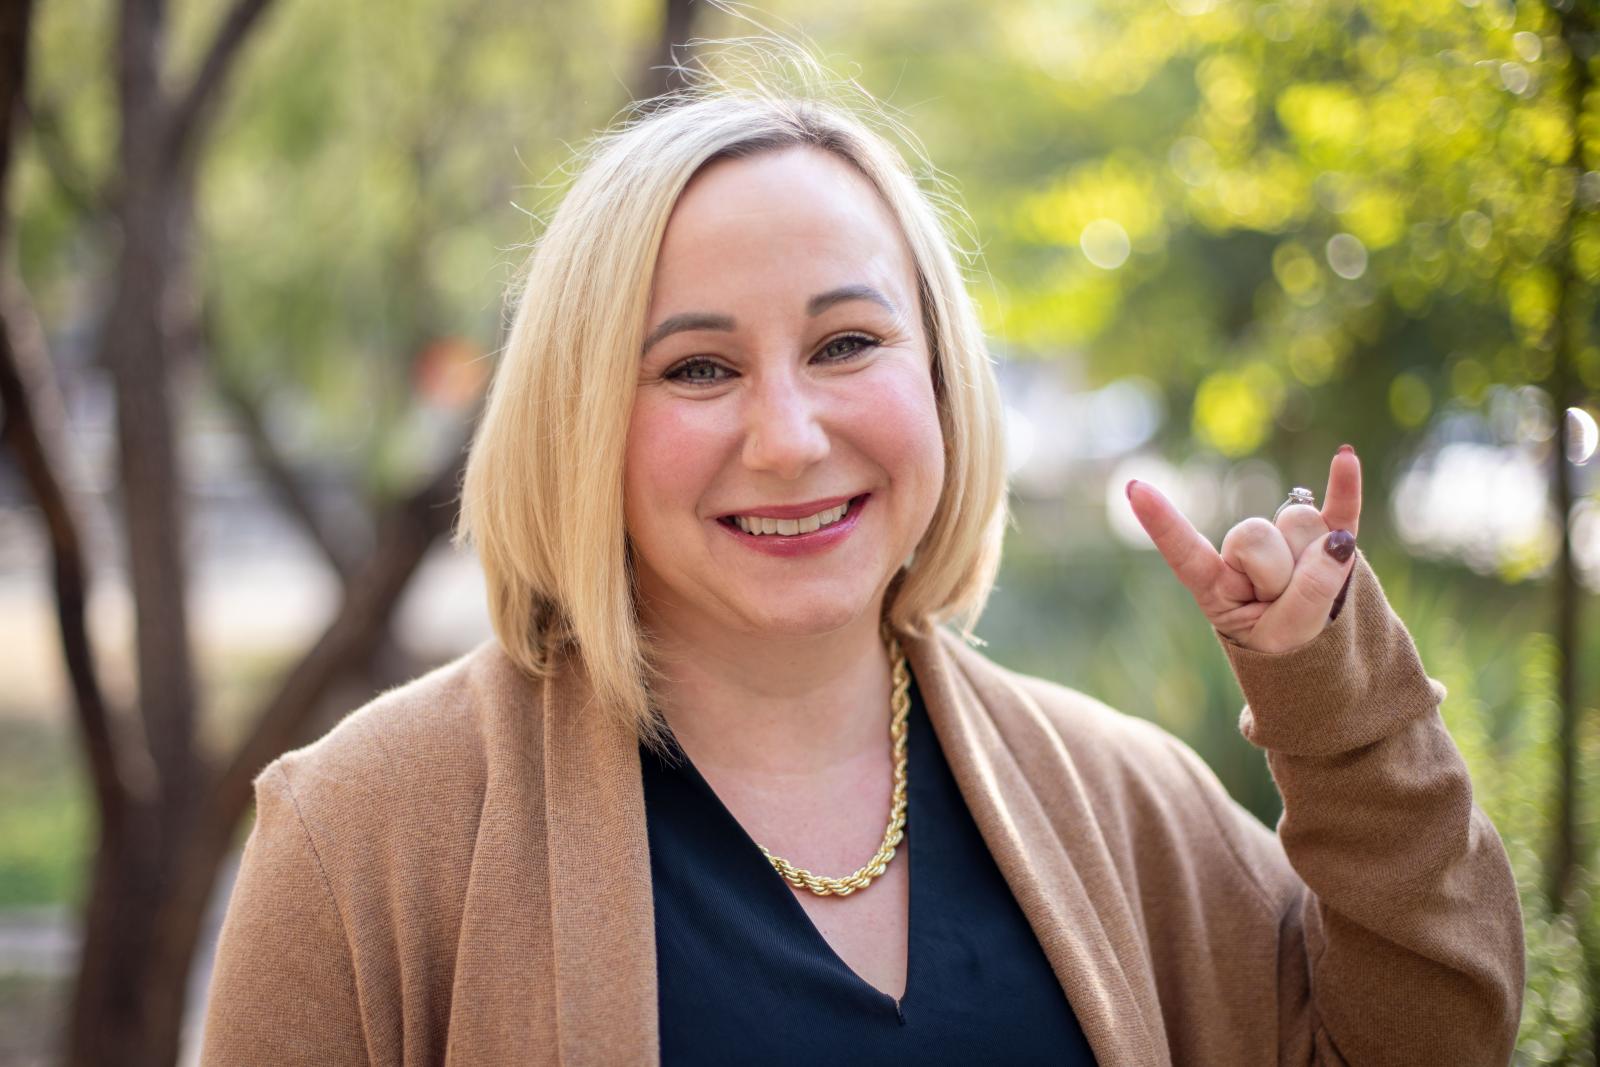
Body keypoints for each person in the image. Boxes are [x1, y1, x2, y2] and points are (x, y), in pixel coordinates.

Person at [199, 67, 1525, 1067]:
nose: (788, 437)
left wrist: (1342, 729)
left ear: (941, 380)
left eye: (846, 345)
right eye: (699, 367)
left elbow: (1434, 1039)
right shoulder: (363, 839)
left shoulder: (1126, 806)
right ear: (581, 421)